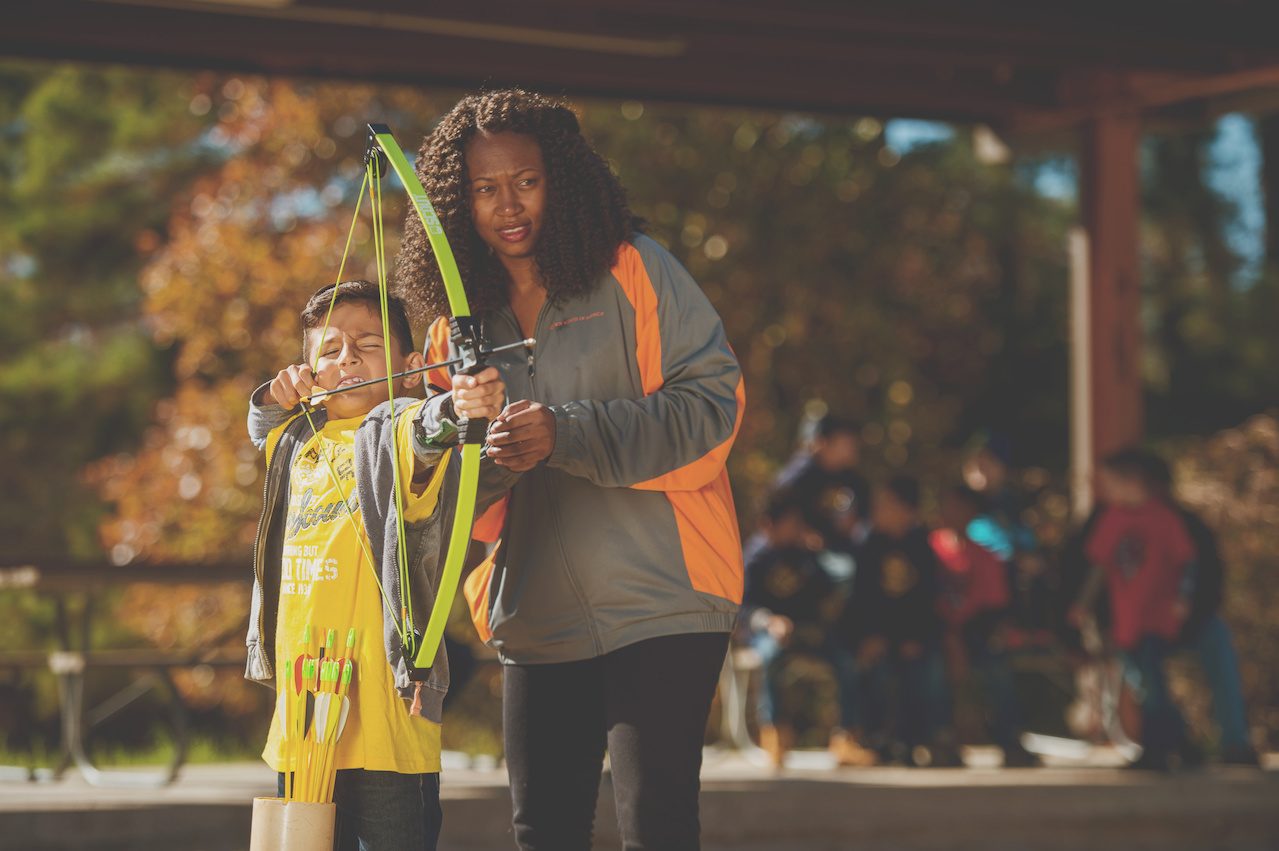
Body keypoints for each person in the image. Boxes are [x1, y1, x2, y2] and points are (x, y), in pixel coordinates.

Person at [396, 89, 745, 851]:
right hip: (536, 614)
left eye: (525, 180)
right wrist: (483, 448)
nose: (507, 205)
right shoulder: (454, 330)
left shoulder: (634, 267)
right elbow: (439, 499)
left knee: (656, 827)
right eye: (484, 189)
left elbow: (712, 407)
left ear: (563, 178)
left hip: (665, 598)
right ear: (459, 204)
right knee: (543, 831)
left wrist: (566, 433)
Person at [244, 280, 512, 849]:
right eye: (330, 350)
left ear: (409, 368)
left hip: (387, 726)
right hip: (303, 717)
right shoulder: (294, 440)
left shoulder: (392, 431)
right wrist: (275, 392)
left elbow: (427, 429)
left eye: (366, 346)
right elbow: (262, 422)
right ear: (309, 372)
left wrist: (460, 406)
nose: (346, 360)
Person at [1072, 448, 1197, 770]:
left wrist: (1183, 597)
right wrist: (1083, 605)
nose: (1107, 491)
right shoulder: (1113, 518)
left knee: (1151, 682)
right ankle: (1181, 744)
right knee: (1143, 682)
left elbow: (1187, 562)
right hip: (1126, 620)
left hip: (1155, 617)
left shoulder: (1163, 518)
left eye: (1111, 483)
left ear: (1133, 482)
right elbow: (1098, 567)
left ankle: (1158, 750)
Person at [1139, 451, 1257, 766]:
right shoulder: (1113, 522)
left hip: (1192, 617)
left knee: (1219, 646)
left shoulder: (1185, 524)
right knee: (1139, 665)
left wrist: (1190, 611)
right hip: (1141, 623)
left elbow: (1204, 572)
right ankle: (1172, 740)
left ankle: (1235, 742)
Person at [741, 490, 873, 769]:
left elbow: (834, 587)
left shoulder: (805, 554)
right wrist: (769, 621)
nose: (797, 528)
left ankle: (846, 737)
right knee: (770, 657)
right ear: (769, 524)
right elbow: (742, 607)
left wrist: (820, 554)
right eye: (791, 522)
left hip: (809, 632)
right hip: (769, 634)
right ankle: (775, 734)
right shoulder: (755, 559)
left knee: (846, 661)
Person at [840, 476, 956, 766]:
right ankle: (879, 739)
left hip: (916, 635)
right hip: (876, 635)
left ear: (907, 510)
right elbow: (862, 599)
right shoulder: (869, 546)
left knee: (929, 671)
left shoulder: (922, 547)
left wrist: (913, 638)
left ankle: (932, 738)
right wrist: (870, 636)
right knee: (873, 672)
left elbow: (926, 601)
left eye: (885, 505)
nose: (877, 511)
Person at [931, 485, 1037, 767]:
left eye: (960, 507)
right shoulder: (929, 550)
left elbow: (995, 609)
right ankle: (939, 739)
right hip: (935, 634)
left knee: (996, 667)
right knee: (930, 669)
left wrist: (963, 639)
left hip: (974, 634)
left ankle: (1009, 739)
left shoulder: (987, 557)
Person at [773, 414, 871, 551]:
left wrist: (854, 527)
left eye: (853, 443)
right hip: (794, 553)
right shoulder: (798, 475)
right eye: (846, 443)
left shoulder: (855, 481)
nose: (852, 449)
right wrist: (803, 535)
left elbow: (864, 524)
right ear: (823, 442)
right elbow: (775, 516)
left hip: (838, 556)